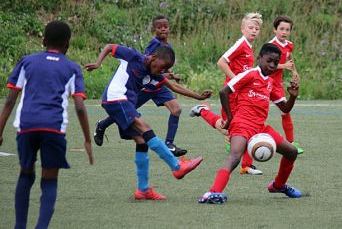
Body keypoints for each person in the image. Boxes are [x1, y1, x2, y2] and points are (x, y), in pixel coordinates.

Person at [84, 43, 210, 200]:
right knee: (145, 128)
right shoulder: (134, 56)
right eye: (162, 67)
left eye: (166, 70)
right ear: (154, 58)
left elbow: (174, 87)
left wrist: (199, 96)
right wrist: (97, 63)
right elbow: (110, 47)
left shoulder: (156, 75)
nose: (162, 72)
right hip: (115, 97)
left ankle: (143, 190)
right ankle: (176, 166)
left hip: (125, 102)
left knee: (142, 140)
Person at [0, 21, 94, 228]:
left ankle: (19, 226)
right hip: (53, 128)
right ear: (67, 44)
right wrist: (87, 139)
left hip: (27, 126)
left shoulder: (27, 62)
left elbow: (9, 100)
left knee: (25, 174)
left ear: (43, 41)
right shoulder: (72, 68)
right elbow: (79, 106)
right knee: (49, 180)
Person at [198, 43, 302, 204]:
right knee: (235, 156)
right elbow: (224, 91)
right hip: (242, 124)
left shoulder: (271, 83)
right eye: (269, 61)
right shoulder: (250, 74)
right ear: (259, 59)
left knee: (292, 152)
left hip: (261, 128)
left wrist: (293, 96)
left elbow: (285, 108)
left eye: (276, 62)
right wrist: (231, 117)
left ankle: (278, 185)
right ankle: (212, 193)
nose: (273, 65)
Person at [93, 16, 187, 157]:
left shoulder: (169, 48)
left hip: (159, 85)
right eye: (159, 27)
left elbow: (162, 70)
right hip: (146, 85)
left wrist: (171, 75)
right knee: (128, 111)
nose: (162, 29)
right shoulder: (154, 44)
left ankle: (169, 144)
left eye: (165, 26)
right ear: (154, 29)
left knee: (176, 109)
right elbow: (148, 65)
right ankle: (103, 125)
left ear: (169, 28)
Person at [189, 12, 263, 175]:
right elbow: (221, 62)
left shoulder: (249, 47)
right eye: (250, 27)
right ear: (242, 28)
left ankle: (246, 166)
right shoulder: (241, 45)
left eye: (257, 28)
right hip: (231, 94)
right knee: (228, 128)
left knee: (244, 126)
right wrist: (236, 81)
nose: (254, 31)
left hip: (240, 94)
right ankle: (203, 111)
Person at [269, 15, 303, 154]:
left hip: (277, 84)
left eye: (287, 29)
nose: (284, 32)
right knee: (257, 113)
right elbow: (266, 66)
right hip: (264, 83)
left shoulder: (289, 44)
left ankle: (291, 143)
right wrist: (284, 66)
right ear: (275, 30)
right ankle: (236, 139)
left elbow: (289, 56)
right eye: (281, 29)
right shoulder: (271, 46)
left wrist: (294, 71)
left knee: (285, 112)